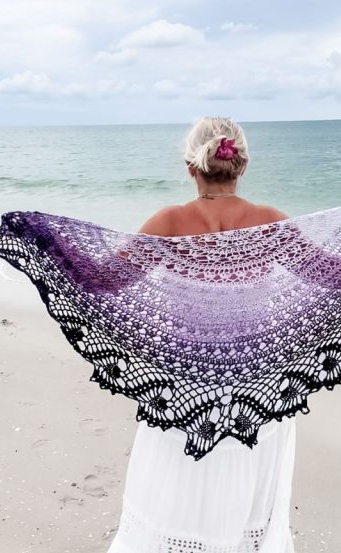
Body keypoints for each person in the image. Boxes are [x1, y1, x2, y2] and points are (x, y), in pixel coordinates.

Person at [107, 116, 296, 553]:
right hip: (256, 387)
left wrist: (48, 241)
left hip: (183, 386)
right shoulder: (272, 222)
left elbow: (104, 280)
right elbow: (336, 275)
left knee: (176, 492)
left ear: (191, 166)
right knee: (244, 488)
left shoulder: (169, 222)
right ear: (242, 166)